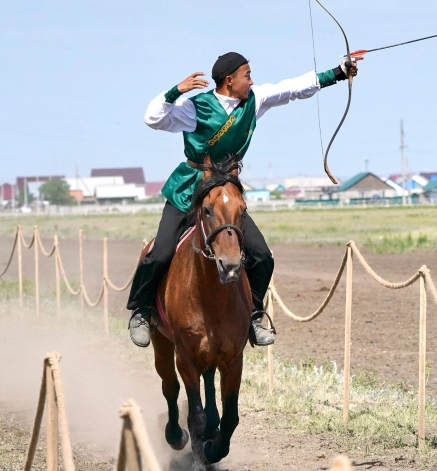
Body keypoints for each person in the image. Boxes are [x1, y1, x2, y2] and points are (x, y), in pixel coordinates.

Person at [127, 51, 360, 348]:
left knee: (262, 256)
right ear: (229, 80)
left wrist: (338, 72)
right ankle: (141, 311)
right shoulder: (195, 107)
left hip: (227, 194)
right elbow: (153, 118)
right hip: (189, 189)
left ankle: (253, 315)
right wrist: (175, 92)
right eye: (247, 75)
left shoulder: (254, 100)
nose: (252, 80)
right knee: (160, 253)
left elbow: (293, 88)